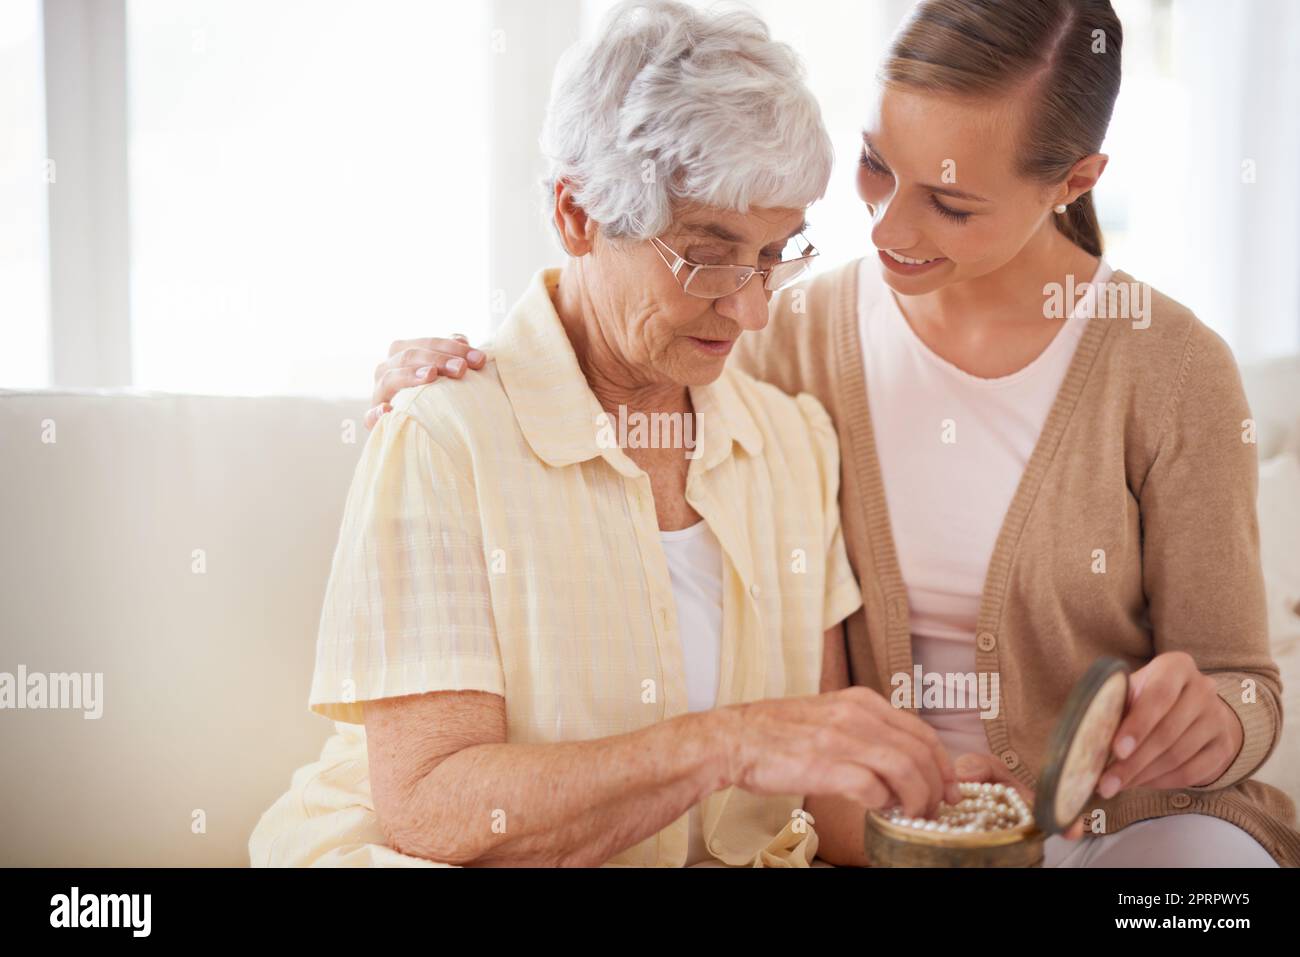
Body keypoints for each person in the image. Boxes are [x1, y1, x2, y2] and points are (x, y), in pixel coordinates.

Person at [371, 0, 1300, 866]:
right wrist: (447, 374)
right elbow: (626, 299)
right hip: (903, 831)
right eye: (875, 164)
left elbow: (1244, 682)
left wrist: (1216, 719)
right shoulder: (787, 330)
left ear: (1075, 182)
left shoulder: (1172, 367)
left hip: (1125, 827)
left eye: (951, 201)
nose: (888, 224)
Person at [250, 0, 961, 868]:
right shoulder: (445, 439)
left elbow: (814, 787)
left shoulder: (787, 443)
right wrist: (724, 743)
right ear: (578, 215)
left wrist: (972, 823)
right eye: (709, 253)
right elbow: (431, 808)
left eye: (776, 253)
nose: (750, 307)